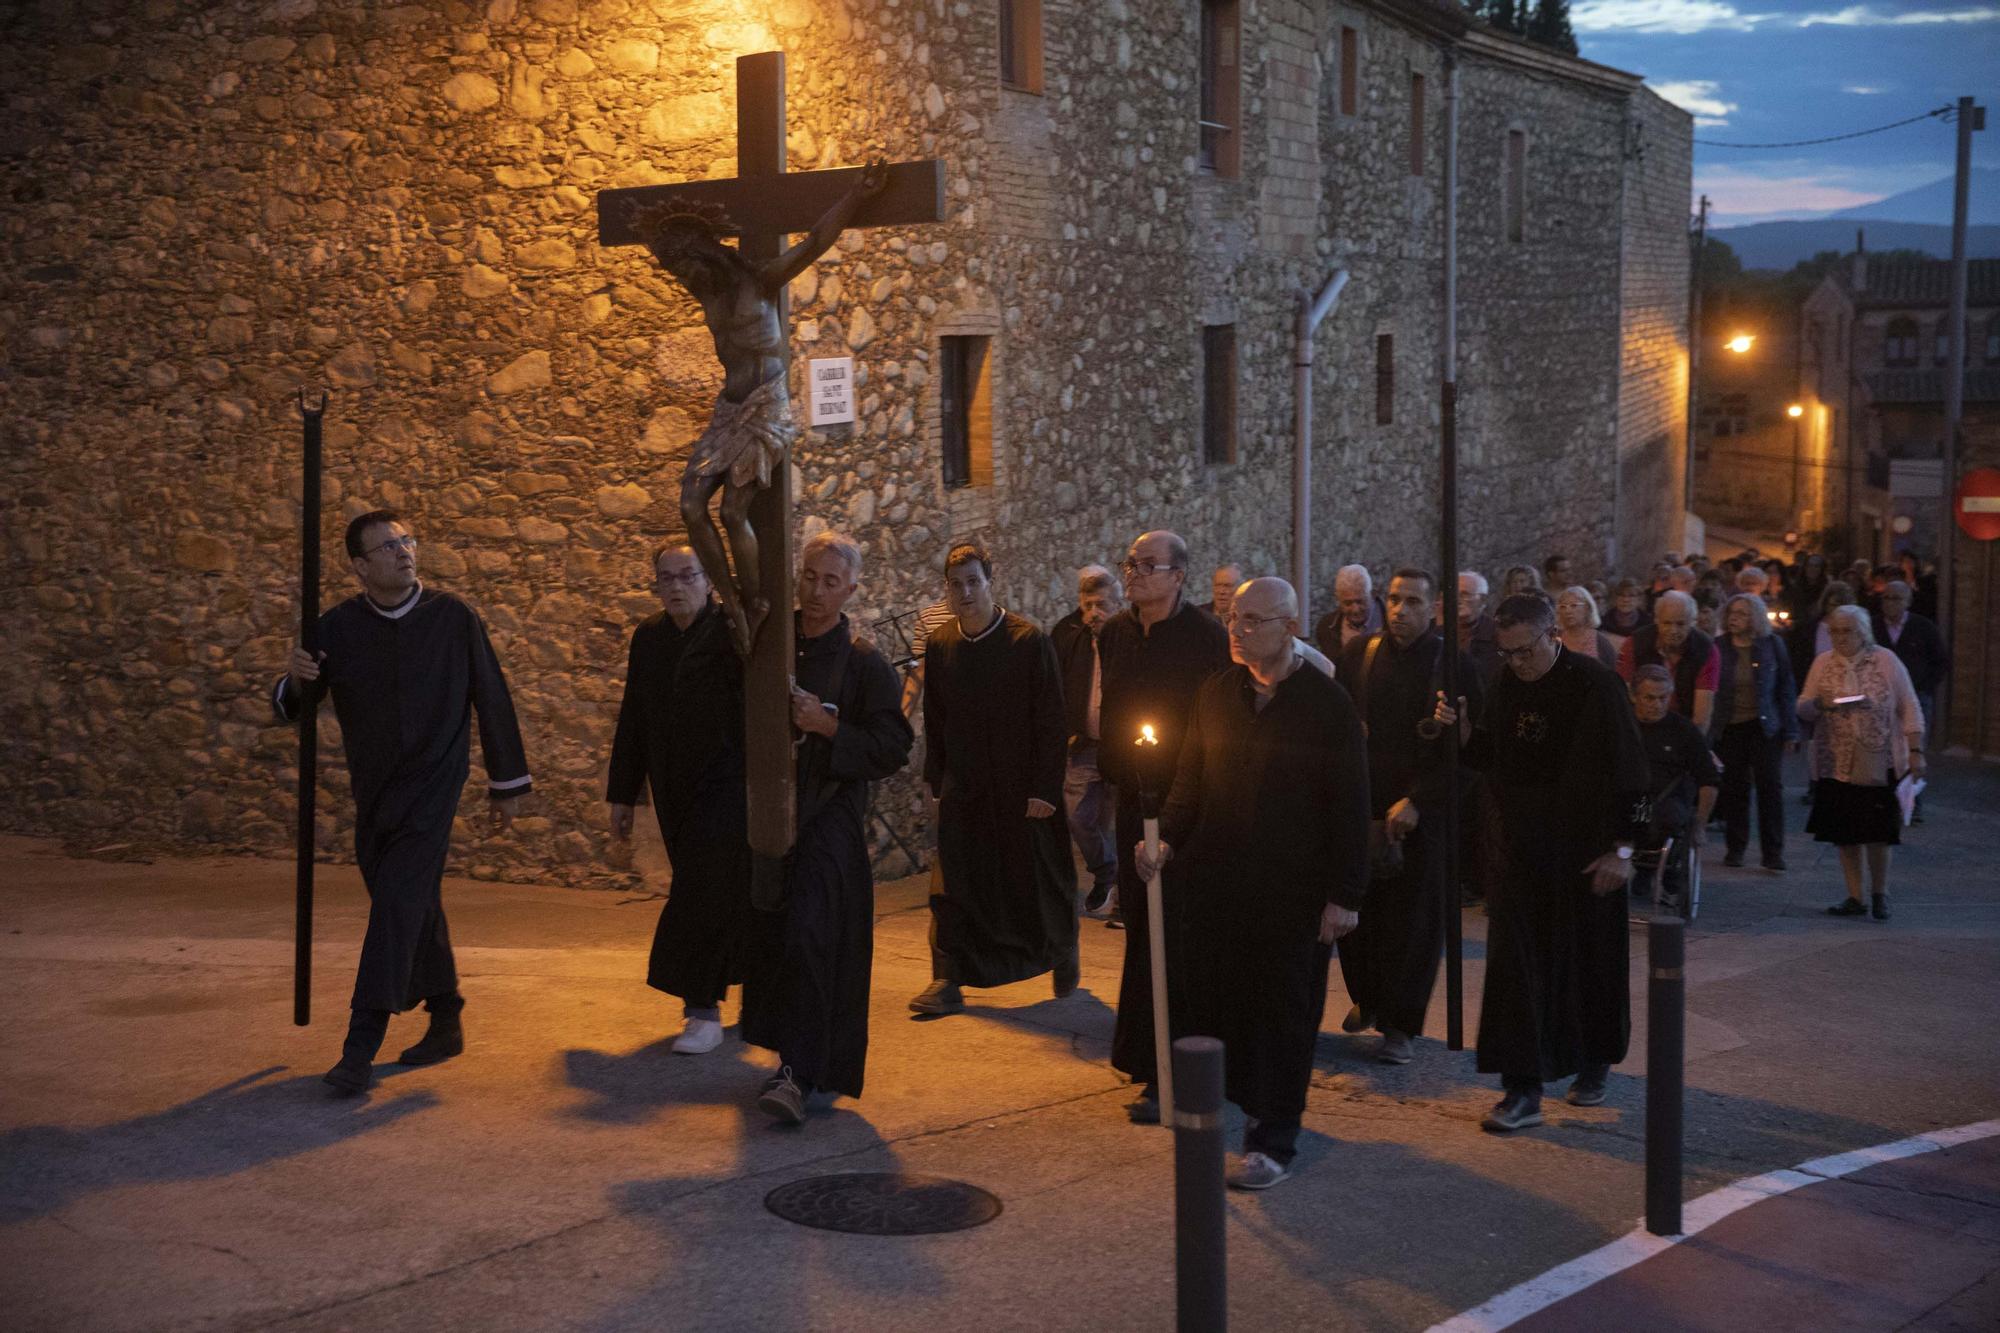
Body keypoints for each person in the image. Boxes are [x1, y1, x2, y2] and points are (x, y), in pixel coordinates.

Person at [273, 510, 531, 1095]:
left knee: (395, 905)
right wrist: (295, 678)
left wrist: (506, 782)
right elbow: (295, 705)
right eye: (387, 547)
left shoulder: (452, 617)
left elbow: (491, 695)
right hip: (376, 795)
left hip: (435, 788)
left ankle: (358, 1049)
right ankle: (445, 1017)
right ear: (361, 566)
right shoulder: (335, 628)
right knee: (411, 905)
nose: (404, 551)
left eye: (407, 540)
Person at [1136, 577, 1370, 1189]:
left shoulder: (1325, 706)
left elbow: (1349, 804)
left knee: (1284, 1012)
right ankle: (1228, 1108)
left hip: (1292, 890)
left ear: (1290, 627)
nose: (1237, 631)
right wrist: (1163, 839)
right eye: (1234, 618)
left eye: (1253, 621)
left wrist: (1346, 895)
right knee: (1218, 1000)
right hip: (1217, 882)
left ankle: (1275, 1136)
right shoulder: (1216, 693)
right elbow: (1191, 778)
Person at [1435, 594, 1650, 1131]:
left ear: (1552, 634)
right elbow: (1494, 757)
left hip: (1588, 854)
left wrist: (1625, 848)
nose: (1516, 663)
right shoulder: (1507, 683)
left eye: (1525, 651)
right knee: (1515, 972)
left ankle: (1593, 1063)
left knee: (1589, 965)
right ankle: (1522, 1088)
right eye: (1506, 653)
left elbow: (1633, 773)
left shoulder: (1597, 686)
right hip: (1521, 852)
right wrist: (1462, 733)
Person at [738, 531, 914, 1123]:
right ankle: (788, 1053)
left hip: (830, 815)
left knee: (815, 934)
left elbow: (893, 746)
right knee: (774, 937)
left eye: (831, 582)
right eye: (810, 577)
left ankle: (797, 1072)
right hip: (769, 812)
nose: (816, 591)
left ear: (851, 590)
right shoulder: (770, 645)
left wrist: (827, 726)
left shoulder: (864, 664)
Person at [1096, 530, 1232, 1116]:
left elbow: (1215, 720)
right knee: (1140, 928)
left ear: (1178, 575)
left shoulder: (1206, 638)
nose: (1134, 573)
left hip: (1187, 803)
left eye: (1148, 565)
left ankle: (1175, 1070)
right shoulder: (1115, 633)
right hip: (1135, 796)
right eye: (1130, 563)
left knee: (1176, 934)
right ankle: (1141, 1052)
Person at [913, 540, 1076, 1015]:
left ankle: (1062, 947)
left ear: (990, 580)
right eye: (955, 585)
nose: (965, 593)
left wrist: (1045, 790)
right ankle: (946, 978)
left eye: (973, 582)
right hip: (965, 787)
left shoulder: (1028, 641)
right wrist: (933, 778)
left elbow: (1051, 719)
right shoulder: (941, 645)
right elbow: (936, 716)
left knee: (1037, 882)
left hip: (1021, 789)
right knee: (953, 885)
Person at [606, 544, 750, 1055]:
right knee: (715, 892)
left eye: (686, 576)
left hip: (729, 785)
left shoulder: (732, 632)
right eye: (664, 578)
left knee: (699, 892)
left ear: (708, 580)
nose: (674, 587)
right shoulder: (648, 639)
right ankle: (734, 994)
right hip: (674, 789)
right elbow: (634, 718)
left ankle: (701, 1009)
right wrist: (623, 793)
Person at [1334, 569, 1480, 1066]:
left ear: (1433, 607)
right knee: (1356, 917)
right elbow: (1340, 725)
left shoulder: (1453, 665)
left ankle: (1401, 1025)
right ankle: (1369, 998)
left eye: (1412, 601)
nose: (1400, 610)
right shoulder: (1360, 655)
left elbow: (1470, 755)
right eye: (1394, 599)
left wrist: (1420, 800)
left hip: (1423, 815)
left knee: (1414, 925)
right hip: (1364, 807)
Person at [1799, 606, 1925, 921]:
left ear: (1863, 631)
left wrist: (1915, 749)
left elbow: (1909, 704)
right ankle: (1855, 895)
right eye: (1835, 631)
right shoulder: (1823, 662)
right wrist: (1818, 705)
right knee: (1845, 833)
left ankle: (1880, 893)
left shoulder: (1885, 660)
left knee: (1877, 831)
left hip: (1876, 757)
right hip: (1836, 758)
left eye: (1848, 631)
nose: (1841, 637)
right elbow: (1803, 705)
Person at [1709, 593, 1798, 872]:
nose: (1735, 618)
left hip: (1764, 726)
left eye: (1743, 614)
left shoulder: (1772, 645)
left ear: (1756, 618)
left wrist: (1791, 730)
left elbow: (1785, 687)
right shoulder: (1718, 647)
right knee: (1735, 788)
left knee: (1770, 786)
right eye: (1732, 613)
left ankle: (1772, 852)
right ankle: (1735, 848)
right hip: (1731, 726)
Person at [1053, 565, 1123, 917]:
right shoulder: (1071, 637)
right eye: (1088, 605)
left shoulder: (1128, 639)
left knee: (1126, 818)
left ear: (1117, 604)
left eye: (1102, 605)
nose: (1094, 613)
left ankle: (1126, 895)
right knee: (1079, 817)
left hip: (1122, 745)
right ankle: (1106, 872)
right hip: (1083, 743)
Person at [1629, 665, 1719, 914]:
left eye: (1663, 698)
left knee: (1669, 820)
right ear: (1634, 696)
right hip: (1625, 800)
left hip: (1665, 803)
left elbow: (1708, 779)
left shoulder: (1682, 730)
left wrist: (1700, 824)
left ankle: (1665, 872)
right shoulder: (1621, 724)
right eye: (1649, 698)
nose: (1657, 705)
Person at [1617, 590, 1718, 731]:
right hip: (1640, 723)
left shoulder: (1706, 650)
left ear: (1693, 623)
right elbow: (1623, 697)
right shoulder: (1635, 643)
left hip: (1684, 725)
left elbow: (1701, 717)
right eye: (1667, 623)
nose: (1673, 630)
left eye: (1681, 624)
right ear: (1656, 620)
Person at [1872, 580, 1948, 756]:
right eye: (1886, 598)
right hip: (1880, 696)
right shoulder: (1872, 626)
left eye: (1896, 598)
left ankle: (1910, 781)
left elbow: (1941, 661)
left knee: (1913, 747)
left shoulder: (1923, 627)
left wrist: (1925, 687)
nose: (1890, 603)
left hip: (1916, 695)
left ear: (1907, 601)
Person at [1313, 564, 1385, 658]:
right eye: (1348, 603)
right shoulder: (1327, 628)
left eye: (1360, 602)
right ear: (1338, 599)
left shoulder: (1390, 623)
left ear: (1372, 594)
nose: (1355, 610)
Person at [1555, 585, 1620, 669]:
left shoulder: (1600, 642)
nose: (1568, 611)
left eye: (1574, 605)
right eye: (1563, 607)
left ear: (1587, 608)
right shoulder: (1555, 641)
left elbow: (1611, 676)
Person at [1458, 569, 1502, 693]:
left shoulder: (1498, 634)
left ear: (1482, 600)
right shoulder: (1437, 632)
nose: (1457, 600)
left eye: (1464, 594)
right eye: (1453, 594)